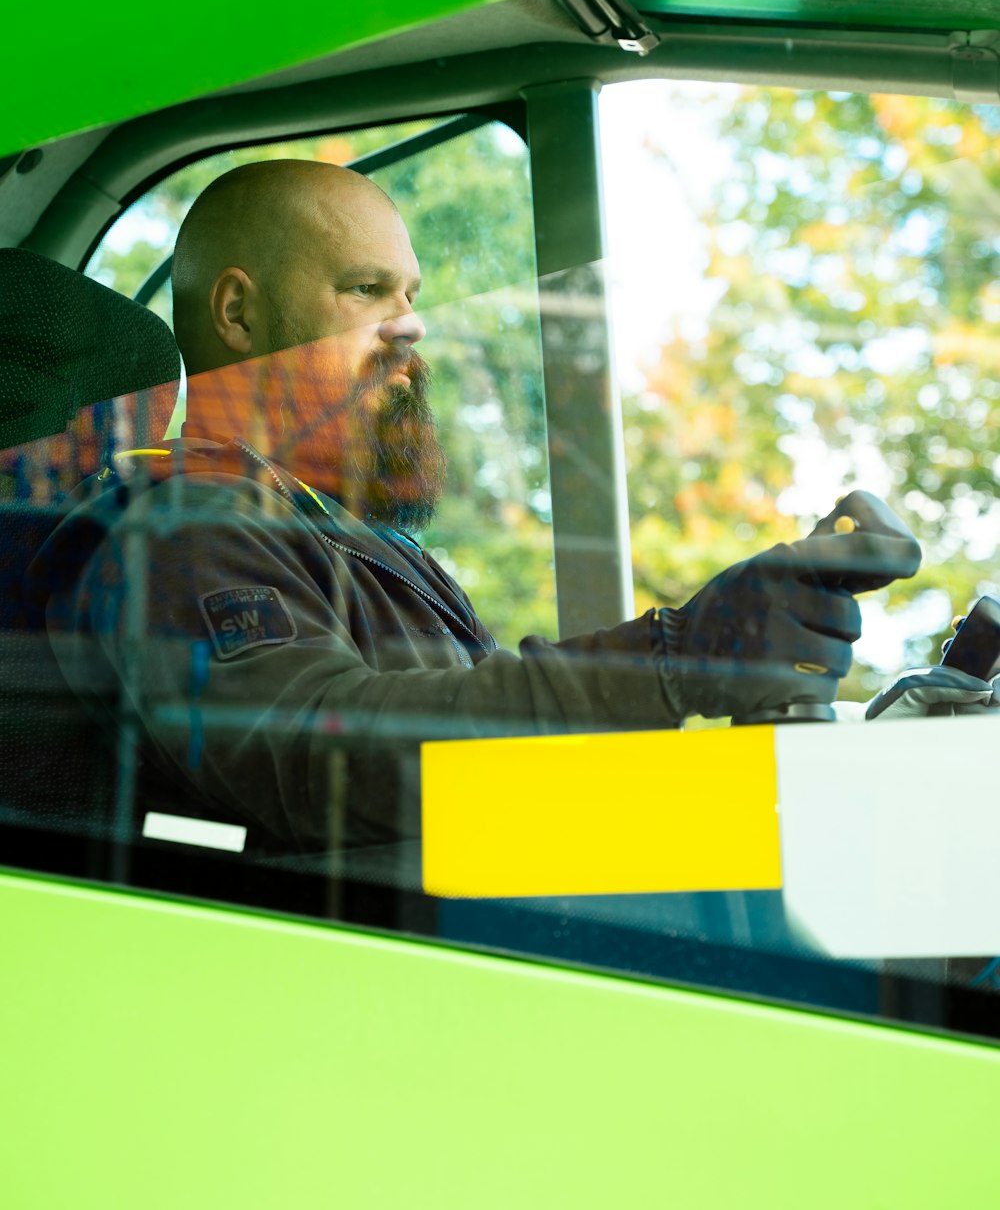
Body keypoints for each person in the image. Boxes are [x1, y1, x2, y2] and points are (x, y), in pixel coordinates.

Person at [39, 160, 920, 853]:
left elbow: (488, 749)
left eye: (411, 295)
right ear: (239, 312)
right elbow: (320, 757)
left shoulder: (337, 541)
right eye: (364, 288)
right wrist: (680, 653)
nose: (410, 324)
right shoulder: (180, 528)